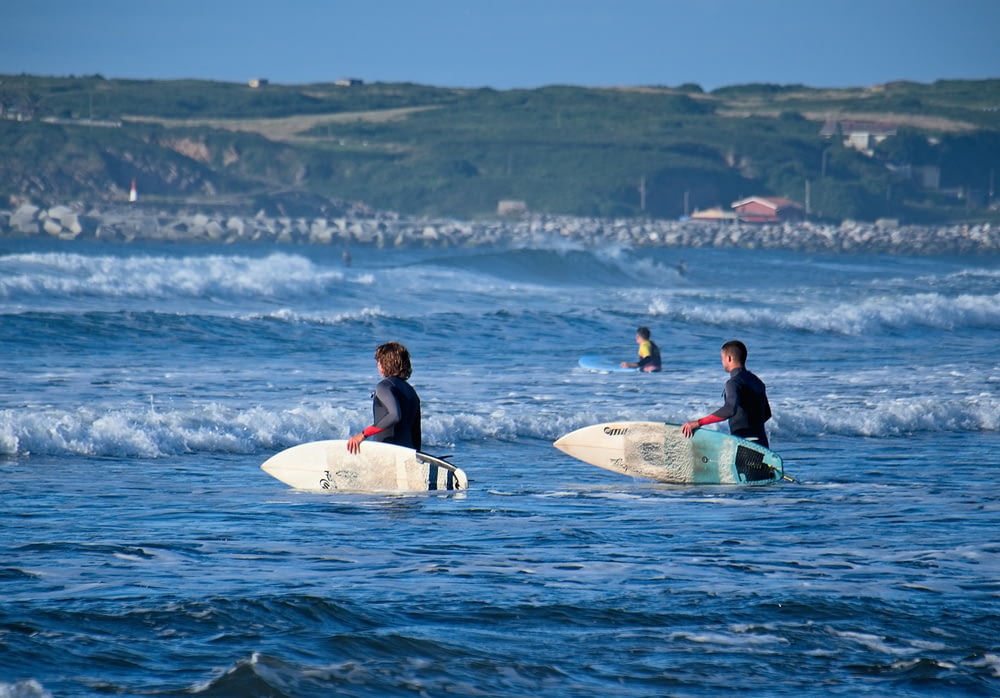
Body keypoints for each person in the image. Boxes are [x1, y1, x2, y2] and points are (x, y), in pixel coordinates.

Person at [681, 340, 772, 447]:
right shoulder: (757, 381)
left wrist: (698, 422)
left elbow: (729, 409)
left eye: (722, 358)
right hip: (762, 444)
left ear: (729, 358)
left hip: (745, 444)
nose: (722, 362)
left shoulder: (733, 383)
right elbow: (767, 414)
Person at [347, 342, 422, 454]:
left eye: (378, 361)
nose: (377, 365)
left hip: (387, 452)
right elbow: (416, 432)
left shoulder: (384, 386)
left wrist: (363, 434)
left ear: (384, 363)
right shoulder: (411, 391)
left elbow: (394, 415)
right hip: (407, 452)